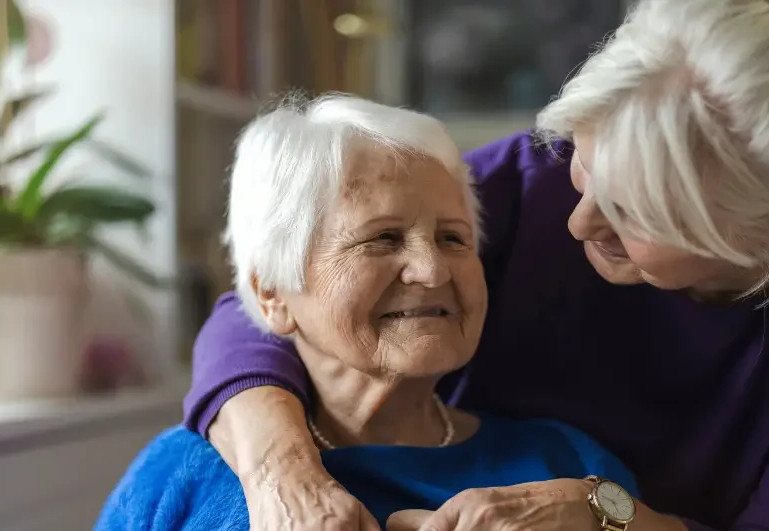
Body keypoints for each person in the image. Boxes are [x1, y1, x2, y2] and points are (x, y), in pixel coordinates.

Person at [184, 0, 769, 530]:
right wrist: (284, 475)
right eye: (587, 171)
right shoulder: (527, 180)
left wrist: (607, 515)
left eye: (636, 214)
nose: (577, 223)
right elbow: (269, 302)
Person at [95, 95, 641, 531]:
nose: (432, 270)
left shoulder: (569, 468)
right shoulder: (183, 475)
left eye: (454, 238)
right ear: (272, 295)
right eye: (381, 239)